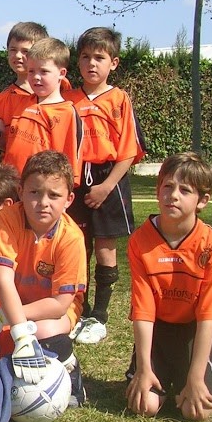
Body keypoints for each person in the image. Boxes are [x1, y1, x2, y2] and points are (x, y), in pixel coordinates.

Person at [0, 150, 87, 407]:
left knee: (43, 330)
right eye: (34, 192)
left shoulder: (71, 238)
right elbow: (3, 279)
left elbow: (61, 304)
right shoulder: (8, 218)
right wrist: (15, 327)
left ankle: (69, 369)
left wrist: (8, 321)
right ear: (20, 191)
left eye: (54, 195)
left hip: (50, 311)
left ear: (69, 199)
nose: (43, 202)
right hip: (11, 303)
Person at [125, 152, 212, 422]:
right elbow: (143, 311)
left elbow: (207, 316)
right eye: (167, 186)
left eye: (185, 190)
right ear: (158, 190)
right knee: (145, 406)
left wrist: (194, 378)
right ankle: (151, 374)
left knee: (197, 411)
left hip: (192, 330)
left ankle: (186, 377)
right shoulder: (140, 241)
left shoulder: (210, 245)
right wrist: (145, 368)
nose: (173, 195)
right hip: (157, 328)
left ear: (202, 201)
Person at [65, 27, 145, 345]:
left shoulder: (119, 99)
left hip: (108, 179)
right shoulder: (68, 98)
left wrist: (107, 186)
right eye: (85, 57)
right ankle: (77, 311)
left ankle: (99, 316)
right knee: (76, 246)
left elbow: (129, 151)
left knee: (105, 247)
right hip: (74, 178)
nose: (91, 63)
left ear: (113, 62)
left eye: (99, 57)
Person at [0, 38, 83, 187]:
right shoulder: (22, 103)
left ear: (61, 73)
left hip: (40, 190)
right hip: (11, 185)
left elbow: (67, 167)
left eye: (44, 71)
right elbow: (13, 143)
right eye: (31, 71)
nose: (36, 77)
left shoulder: (66, 113)